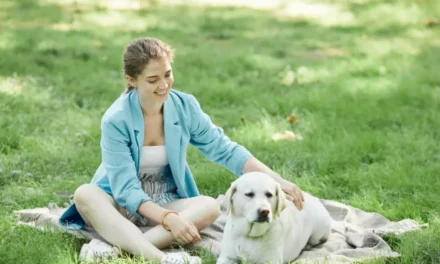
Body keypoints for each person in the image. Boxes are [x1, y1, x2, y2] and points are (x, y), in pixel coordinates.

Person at [59, 37, 304, 264]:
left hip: (165, 199)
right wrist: (169, 220)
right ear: (131, 80)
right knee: (84, 194)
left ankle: (116, 250)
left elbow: (225, 150)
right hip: (120, 203)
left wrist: (277, 180)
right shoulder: (116, 119)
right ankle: (160, 258)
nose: (164, 85)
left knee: (209, 206)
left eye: (167, 74)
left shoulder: (184, 106)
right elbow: (125, 190)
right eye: (153, 80)